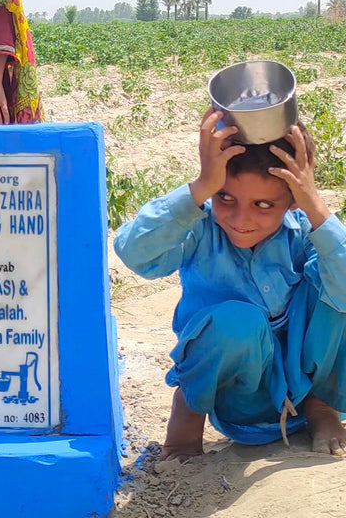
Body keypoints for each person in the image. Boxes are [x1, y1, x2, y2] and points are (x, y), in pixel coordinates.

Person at [114, 109, 346, 459]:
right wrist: (200, 188)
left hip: (307, 376)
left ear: (293, 200)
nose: (241, 219)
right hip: (244, 393)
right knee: (238, 322)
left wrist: (314, 205)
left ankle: (320, 406)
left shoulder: (304, 229)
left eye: (264, 204)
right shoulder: (201, 228)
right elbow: (133, 251)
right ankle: (188, 415)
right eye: (225, 197)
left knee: (334, 278)